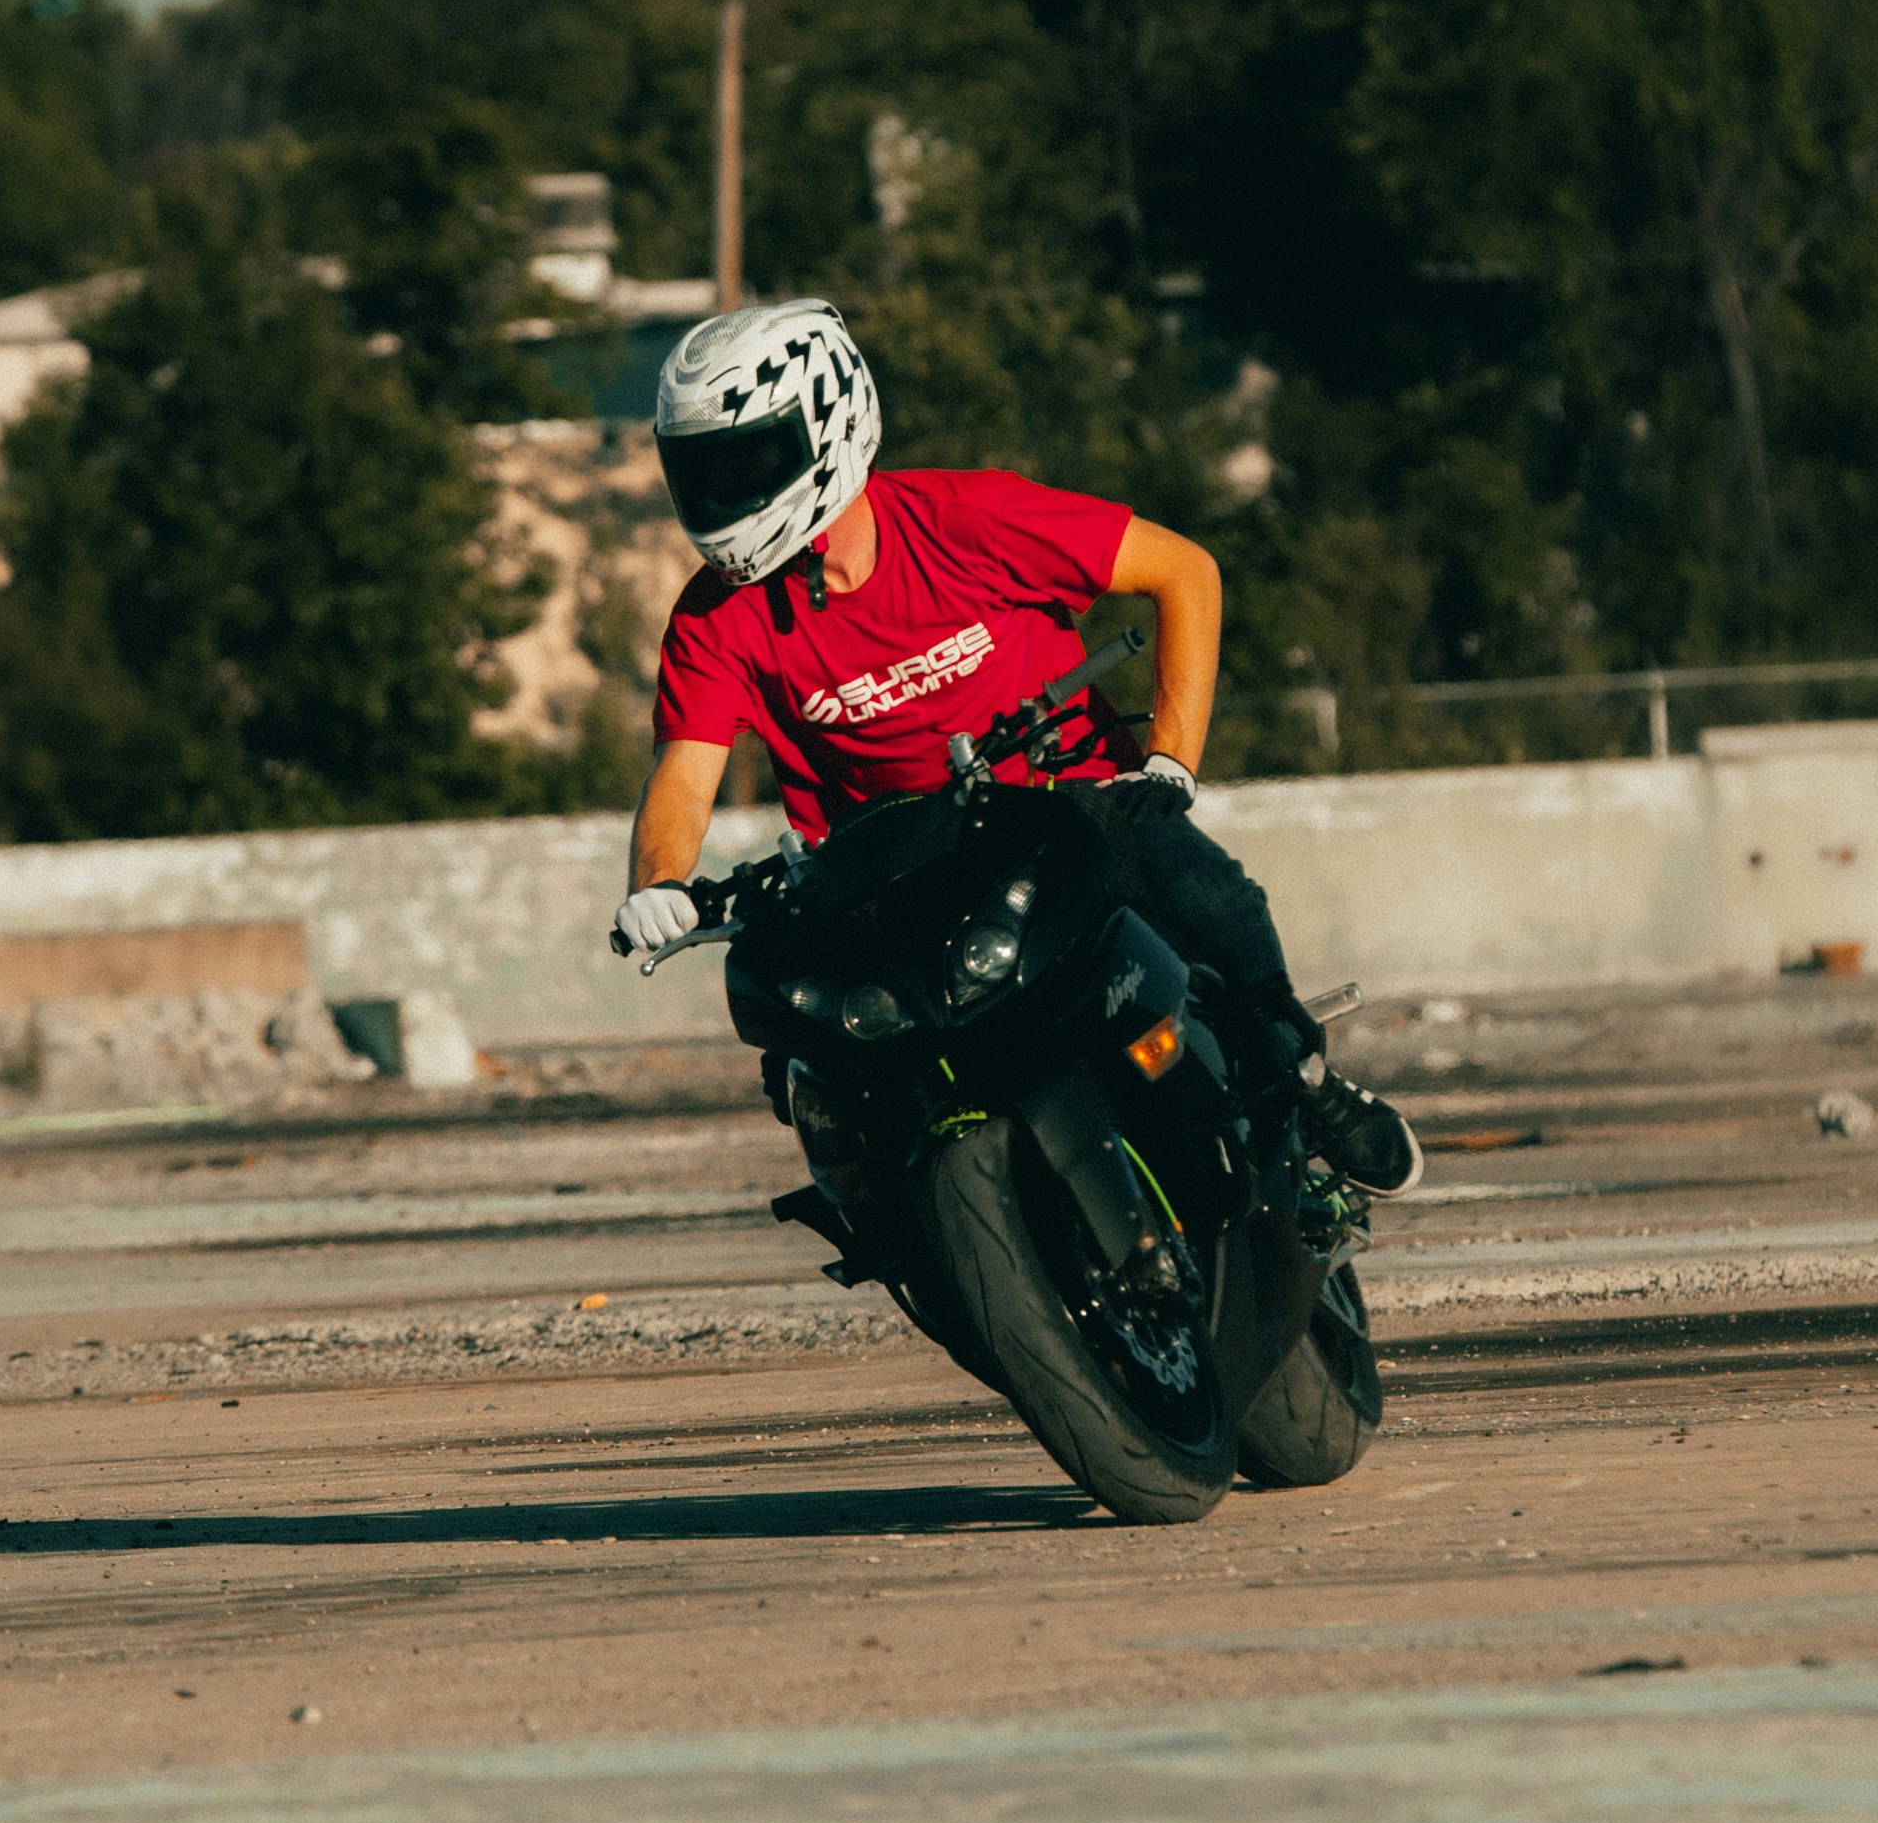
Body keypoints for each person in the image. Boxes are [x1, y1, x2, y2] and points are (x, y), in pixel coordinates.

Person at [607, 298, 1420, 1194]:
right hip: (889, 866)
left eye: (751, 458)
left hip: (1070, 805)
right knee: (807, 1056)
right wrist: (659, 884)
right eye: (703, 470)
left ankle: (1301, 1080)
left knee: (1201, 890)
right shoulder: (714, 618)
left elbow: (1183, 572)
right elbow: (685, 771)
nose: (725, 491)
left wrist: (1170, 764)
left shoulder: (969, 518)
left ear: (830, 422)